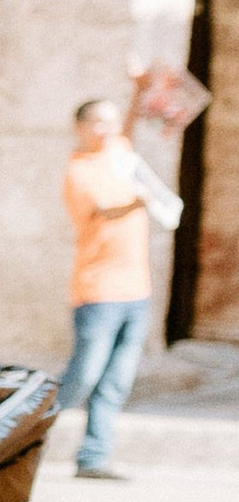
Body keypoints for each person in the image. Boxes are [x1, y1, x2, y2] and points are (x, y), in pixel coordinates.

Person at [57, 99, 172, 481]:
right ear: (80, 127)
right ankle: (15, 442)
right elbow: (106, 209)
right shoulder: (79, 170)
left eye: (112, 122)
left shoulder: (120, 153)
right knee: (81, 379)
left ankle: (93, 457)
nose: (107, 129)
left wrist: (140, 88)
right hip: (98, 293)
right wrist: (141, 199)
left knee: (115, 382)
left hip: (136, 291)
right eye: (98, 123)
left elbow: (133, 122)